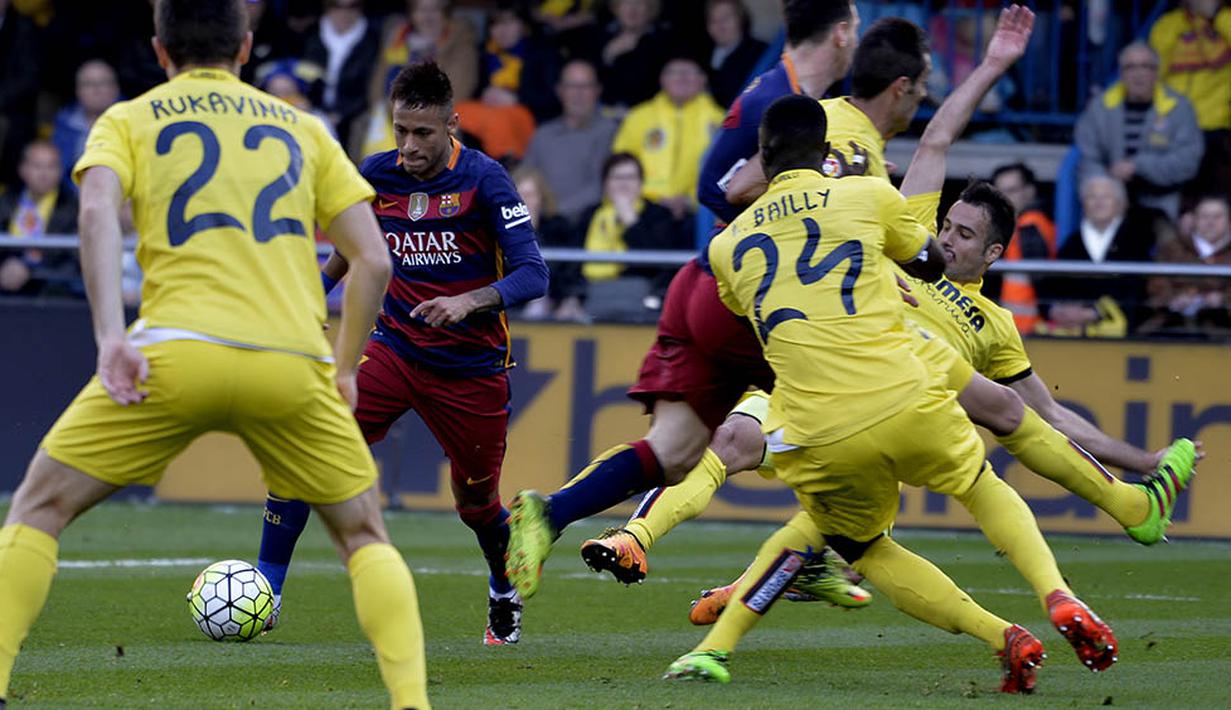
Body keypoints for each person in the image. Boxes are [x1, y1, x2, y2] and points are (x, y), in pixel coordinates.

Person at [0, 2, 430, 708]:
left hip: (172, 353)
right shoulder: (303, 127)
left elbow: (95, 211)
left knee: (38, 508)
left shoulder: (130, 119)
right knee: (361, 534)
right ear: (248, 47)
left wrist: (111, 335)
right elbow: (374, 263)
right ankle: (412, 703)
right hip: (290, 363)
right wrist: (345, 367)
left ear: (160, 51)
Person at [673, 92, 1081, 693]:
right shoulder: (867, 195)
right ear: (828, 151)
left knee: (860, 548)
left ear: (762, 155)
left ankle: (1003, 634)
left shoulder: (725, 246)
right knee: (978, 485)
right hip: (904, 392)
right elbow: (929, 258)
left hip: (819, 423)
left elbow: (742, 308)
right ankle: (1057, 595)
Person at [503, 0, 864, 604]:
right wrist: (793, 207)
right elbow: (713, 187)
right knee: (848, 402)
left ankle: (549, 512)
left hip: (721, 286)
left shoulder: (810, 100)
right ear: (843, 33)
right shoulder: (768, 97)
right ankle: (812, 552)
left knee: (675, 453)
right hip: (745, 293)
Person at [255, 61, 548, 647]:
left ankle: (502, 589)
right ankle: (264, 589)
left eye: (423, 134)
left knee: (476, 503)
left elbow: (533, 274)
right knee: (306, 445)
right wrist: (312, 296)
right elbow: (347, 251)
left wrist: (470, 301)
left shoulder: (486, 181)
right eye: (400, 131)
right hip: (394, 350)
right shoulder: (377, 175)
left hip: (471, 370)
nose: (409, 147)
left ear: (452, 125)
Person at [1074, 41, 1202, 220]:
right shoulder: (1100, 107)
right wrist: (1107, 188)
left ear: (1157, 72)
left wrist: (1138, 166)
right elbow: (1088, 159)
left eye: (1146, 66)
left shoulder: (1179, 108)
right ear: (1121, 73)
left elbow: (1187, 162)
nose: (1138, 73)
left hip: (1162, 202)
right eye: (1130, 67)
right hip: (1112, 202)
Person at [1035, 175, 1169, 335]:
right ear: (1083, 203)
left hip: (1128, 334)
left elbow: (1140, 288)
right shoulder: (1071, 243)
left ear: (1121, 204)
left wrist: (1096, 312)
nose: (1099, 203)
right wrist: (1057, 310)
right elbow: (1051, 287)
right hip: (1075, 334)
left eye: (1106, 197)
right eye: (1092, 197)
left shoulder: (1139, 239)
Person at [611, 56, 725, 223]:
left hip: (698, 214)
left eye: (689, 72)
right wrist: (650, 199)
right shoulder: (638, 117)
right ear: (662, 79)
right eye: (673, 72)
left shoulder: (721, 121)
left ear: (703, 79)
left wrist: (689, 200)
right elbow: (618, 169)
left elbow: (727, 173)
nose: (681, 78)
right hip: (642, 210)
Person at [577, 152, 688, 320]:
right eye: (617, 177)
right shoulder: (590, 215)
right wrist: (572, 298)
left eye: (630, 177)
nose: (623, 184)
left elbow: (658, 264)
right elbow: (573, 265)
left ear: (641, 183)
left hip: (642, 296)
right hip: (592, 293)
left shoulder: (658, 215)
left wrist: (630, 220)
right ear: (605, 183)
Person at [522, 59, 619, 224]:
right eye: (571, 86)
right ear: (560, 91)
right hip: (543, 227)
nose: (578, 94)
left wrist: (556, 212)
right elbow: (524, 180)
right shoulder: (543, 134)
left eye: (585, 86)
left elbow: (602, 187)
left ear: (597, 91)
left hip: (592, 226)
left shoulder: (611, 131)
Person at [1149, 0, 1231, 194]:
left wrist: (1217, 15)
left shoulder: (1227, 20)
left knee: (1216, 192)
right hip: (1176, 122)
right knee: (1177, 191)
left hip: (1218, 122)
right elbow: (1157, 70)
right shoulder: (1168, 24)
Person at [1143, 194, 1231, 335]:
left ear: (1229, 221)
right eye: (1204, 216)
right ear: (1194, 220)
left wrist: (1223, 300)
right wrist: (1173, 299)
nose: (1210, 222)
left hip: (1224, 329)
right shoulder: (1172, 248)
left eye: (1217, 217)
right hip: (1173, 326)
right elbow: (1156, 284)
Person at [0, 141, 80, 296]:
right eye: (37, 166)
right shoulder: (5, 201)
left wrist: (31, 271)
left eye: (51, 166)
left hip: (50, 291)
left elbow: (73, 261)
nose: (44, 174)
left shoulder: (74, 207)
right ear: (22, 169)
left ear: (60, 170)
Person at [303, 0, 383, 151]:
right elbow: (301, 76)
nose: (344, 13)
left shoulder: (373, 40)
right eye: (336, 5)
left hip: (354, 114)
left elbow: (371, 87)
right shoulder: (310, 36)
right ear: (327, 7)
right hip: (313, 109)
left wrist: (340, 115)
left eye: (353, 6)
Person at [511, 165, 585, 321]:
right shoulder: (499, 230)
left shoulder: (559, 229)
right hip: (513, 308)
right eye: (520, 195)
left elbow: (570, 273)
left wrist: (568, 299)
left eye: (530, 195)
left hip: (555, 304)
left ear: (541, 198)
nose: (525, 201)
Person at [990, 161, 1056, 333]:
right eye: (999, 192)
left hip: (1031, 328)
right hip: (1021, 326)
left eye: (1011, 190)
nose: (1003, 198)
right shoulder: (1017, 225)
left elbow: (1042, 282)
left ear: (1030, 191)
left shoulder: (1030, 226)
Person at [51, 59, 121, 194]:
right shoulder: (64, 124)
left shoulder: (133, 119)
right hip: (72, 203)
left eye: (103, 83)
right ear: (78, 91)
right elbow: (58, 172)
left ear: (116, 88)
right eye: (88, 84)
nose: (97, 90)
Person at [703, 0, 767, 108]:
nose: (720, 24)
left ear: (740, 19)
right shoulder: (702, 54)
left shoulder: (761, 54)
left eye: (726, 17)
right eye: (713, 20)